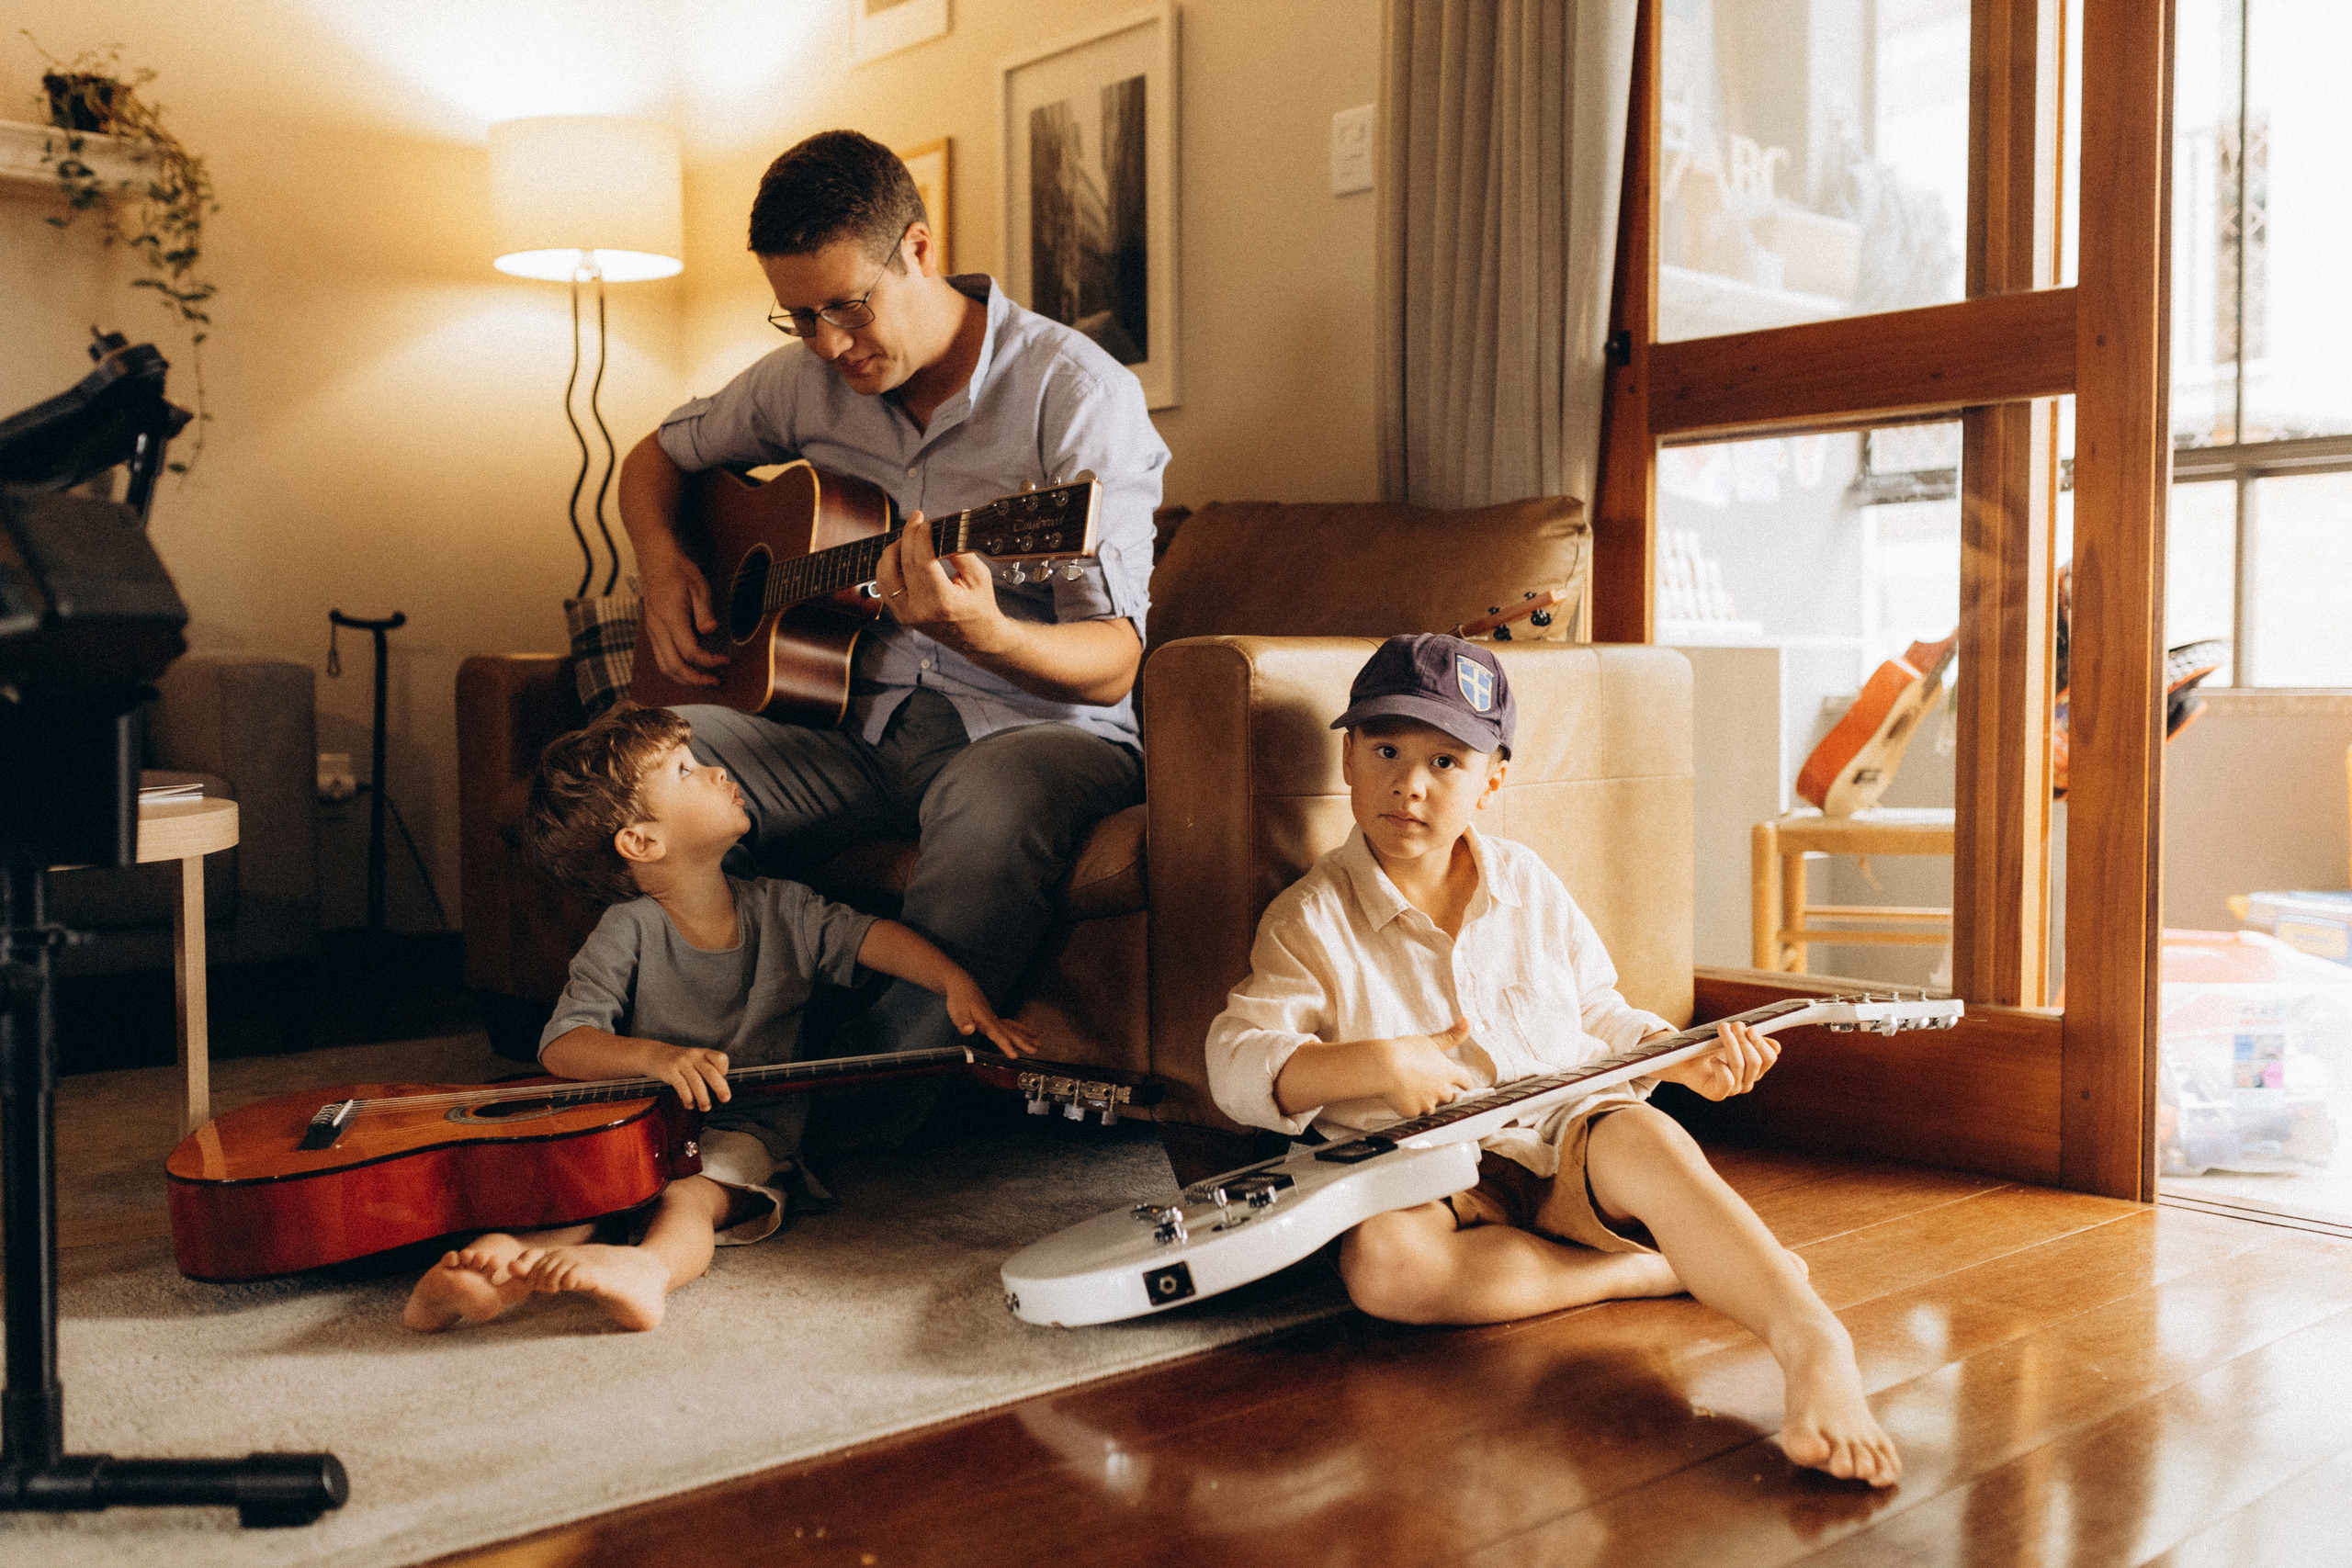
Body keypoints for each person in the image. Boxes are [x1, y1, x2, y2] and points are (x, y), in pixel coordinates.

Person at [1204, 635, 1901, 1486]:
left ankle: (1812, 1342)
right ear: (1347, 755)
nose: (1409, 783)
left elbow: (1597, 1011)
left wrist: (1671, 1060)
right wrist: (1375, 1065)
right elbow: (1236, 1061)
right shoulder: (1309, 918)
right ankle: (1642, 1271)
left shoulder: (1526, 883)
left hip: (1562, 1130)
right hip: (1426, 1176)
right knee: (1383, 1270)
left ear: (1492, 779)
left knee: (1646, 1139)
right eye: (1385, 749)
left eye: (1446, 761)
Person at [616, 130, 1168, 1143]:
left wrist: (986, 632)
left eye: (846, 307)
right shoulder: (799, 382)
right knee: (643, 765)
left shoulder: (1074, 396)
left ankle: (856, 1111)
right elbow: (653, 457)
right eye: (800, 316)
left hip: (1031, 731)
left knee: (996, 807)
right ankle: (674, 1059)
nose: (827, 344)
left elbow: (1114, 664)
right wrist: (663, 566)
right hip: (844, 722)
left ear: (918, 249)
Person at [404, 705, 1038, 1334]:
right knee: (593, 1193)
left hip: (751, 1130)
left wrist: (955, 981)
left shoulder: (785, 908)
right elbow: (564, 1044)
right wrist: (655, 1058)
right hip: (638, 1127)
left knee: (693, 1196)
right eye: (686, 770)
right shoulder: (627, 929)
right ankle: (496, 1277)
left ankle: (648, 1271)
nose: (714, 771)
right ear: (642, 841)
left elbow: (875, 938)